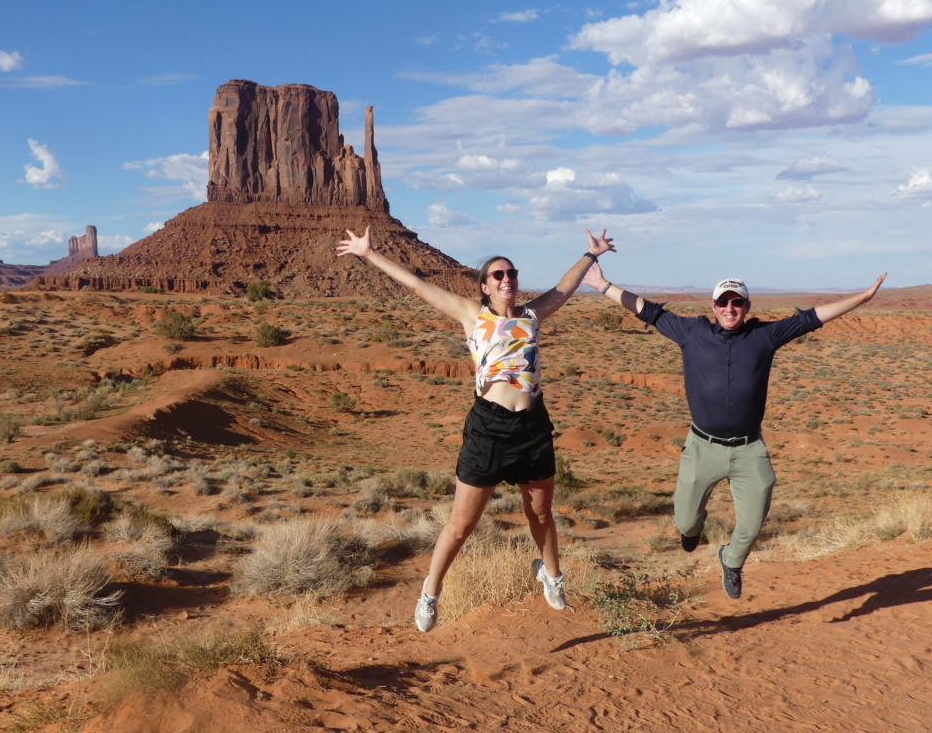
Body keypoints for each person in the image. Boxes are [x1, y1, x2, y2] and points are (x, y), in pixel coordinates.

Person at [337, 226, 615, 631]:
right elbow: (417, 285)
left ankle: (551, 575)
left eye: (512, 274)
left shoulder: (534, 314)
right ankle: (430, 592)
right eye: (498, 276)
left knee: (540, 512)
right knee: (462, 523)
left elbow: (565, 287)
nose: (507, 280)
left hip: (533, 425)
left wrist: (592, 255)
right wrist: (368, 254)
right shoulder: (472, 315)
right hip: (489, 427)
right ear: (485, 286)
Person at [583, 264, 887, 599]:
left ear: (747, 307)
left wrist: (865, 296)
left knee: (753, 523)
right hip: (702, 447)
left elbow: (813, 318)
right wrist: (601, 284)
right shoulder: (691, 333)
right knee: (685, 523)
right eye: (723, 302)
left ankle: (731, 560)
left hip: (749, 449)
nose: (730, 308)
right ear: (713, 306)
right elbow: (646, 310)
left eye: (737, 302)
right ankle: (694, 527)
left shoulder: (764, 337)